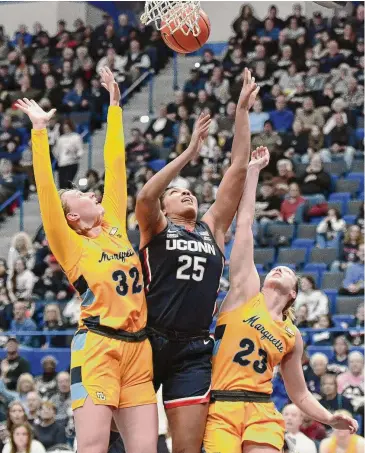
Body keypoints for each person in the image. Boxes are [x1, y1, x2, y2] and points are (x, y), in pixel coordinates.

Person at [15, 66, 157, 453]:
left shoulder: (111, 221)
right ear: (71, 217)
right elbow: (46, 193)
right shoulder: (71, 245)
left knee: (146, 449)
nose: (89, 193)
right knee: (92, 447)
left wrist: (114, 108)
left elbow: (117, 166)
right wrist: (40, 132)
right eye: (75, 193)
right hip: (98, 347)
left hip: (139, 349)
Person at [135, 69, 259, 453]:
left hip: (192, 349)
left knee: (188, 448)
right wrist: (189, 154)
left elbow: (238, 168)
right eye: (177, 192)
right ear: (167, 206)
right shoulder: (155, 226)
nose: (185, 194)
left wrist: (241, 111)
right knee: (124, 442)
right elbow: (144, 196)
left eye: (190, 191)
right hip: (148, 339)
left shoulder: (213, 228)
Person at [203, 146, 358, 453]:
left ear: (293, 293)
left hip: (261, 409)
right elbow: (245, 223)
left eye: (288, 272)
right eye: (278, 267)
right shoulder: (246, 293)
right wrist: (253, 172)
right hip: (222, 405)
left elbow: (299, 394)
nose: (281, 268)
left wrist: (330, 418)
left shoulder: (292, 336)